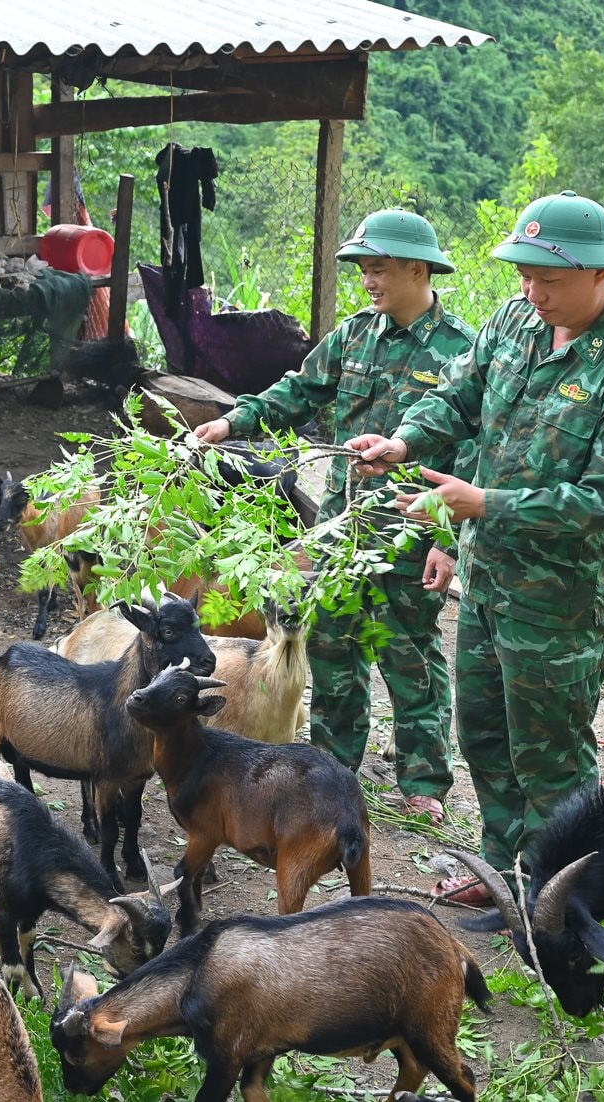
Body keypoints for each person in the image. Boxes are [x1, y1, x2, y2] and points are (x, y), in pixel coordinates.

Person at [346, 192, 604, 902]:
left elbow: (598, 504)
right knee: (485, 737)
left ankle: (563, 893)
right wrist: (404, 440)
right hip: (488, 578)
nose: (532, 292)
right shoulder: (515, 322)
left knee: (550, 755)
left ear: (596, 274)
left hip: (556, 599)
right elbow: (459, 398)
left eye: (547, 280)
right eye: (524, 276)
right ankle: (500, 870)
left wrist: (482, 504)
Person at [193, 209, 472, 823]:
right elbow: (297, 392)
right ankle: (331, 770)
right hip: (343, 527)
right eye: (364, 270)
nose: (369, 281)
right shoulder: (352, 337)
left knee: (410, 652)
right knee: (335, 647)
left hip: (411, 528)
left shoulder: (462, 352)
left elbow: (472, 452)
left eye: (380, 269)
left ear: (418, 269)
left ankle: (423, 781)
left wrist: (449, 540)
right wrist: (232, 421)